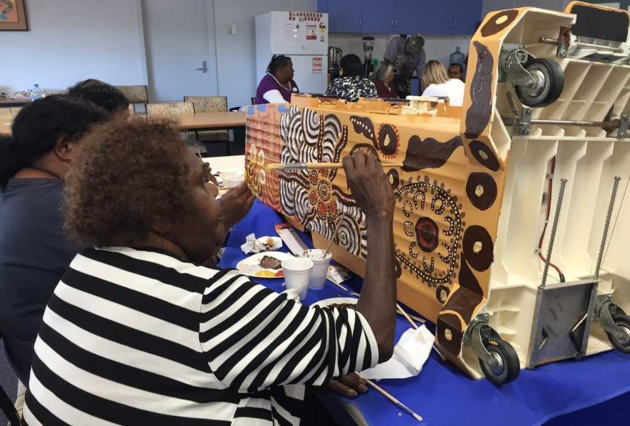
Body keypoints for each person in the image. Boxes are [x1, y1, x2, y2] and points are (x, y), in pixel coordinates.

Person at [23, 117, 397, 425]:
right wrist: (378, 213)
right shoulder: (209, 303)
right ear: (159, 214)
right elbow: (374, 338)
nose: (217, 189)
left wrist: (296, 357)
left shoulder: (85, 266)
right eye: (202, 181)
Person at [0, 96, 110, 388]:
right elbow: (147, 282)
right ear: (65, 148)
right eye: (104, 147)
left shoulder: (21, 190)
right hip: (71, 380)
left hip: (40, 362)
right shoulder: (58, 208)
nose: (112, 159)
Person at [383, 34, 426, 98]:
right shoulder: (395, 43)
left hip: (404, 84)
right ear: (408, 40)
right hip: (389, 81)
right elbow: (385, 67)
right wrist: (388, 87)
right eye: (411, 48)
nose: (412, 51)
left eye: (414, 51)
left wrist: (422, 96)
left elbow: (422, 79)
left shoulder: (421, 54)